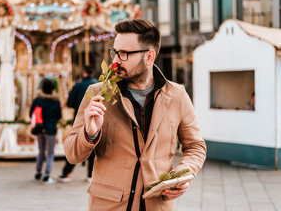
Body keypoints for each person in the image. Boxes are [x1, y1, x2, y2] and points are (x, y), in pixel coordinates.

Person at [64, 19, 206, 211]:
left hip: (157, 205)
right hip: (108, 206)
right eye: (115, 52)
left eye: (124, 54)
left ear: (149, 57)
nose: (115, 61)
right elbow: (72, 155)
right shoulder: (98, 93)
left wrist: (181, 175)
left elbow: (195, 146)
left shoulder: (177, 94)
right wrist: (90, 134)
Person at [58, 65, 98, 183]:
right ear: (93, 72)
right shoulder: (99, 85)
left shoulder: (78, 86)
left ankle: (66, 173)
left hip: (80, 118)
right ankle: (90, 174)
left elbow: (70, 103)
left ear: (84, 73)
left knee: (77, 144)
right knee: (92, 144)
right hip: (96, 118)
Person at [30, 79, 61, 184]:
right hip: (51, 129)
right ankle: (47, 174)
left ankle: (38, 172)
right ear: (53, 89)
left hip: (39, 128)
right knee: (50, 152)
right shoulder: (56, 101)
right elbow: (59, 116)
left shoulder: (38, 100)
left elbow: (31, 113)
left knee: (41, 150)